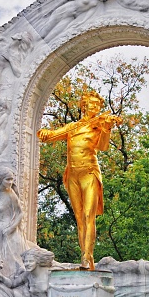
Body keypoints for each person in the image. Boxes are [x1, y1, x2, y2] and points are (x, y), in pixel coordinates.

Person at [37, 91, 122, 270]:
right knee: (79, 218)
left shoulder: (98, 126)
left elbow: (103, 146)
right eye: (92, 105)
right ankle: (84, 256)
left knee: (88, 215)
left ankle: (87, 256)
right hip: (72, 174)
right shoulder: (73, 127)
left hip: (89, 172)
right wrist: (45, 133)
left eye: (98, 106)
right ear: (84, 107)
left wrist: (107, 128)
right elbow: (53, 135)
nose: (95, 108)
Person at [0, 167, 32, 276]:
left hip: (7, 233)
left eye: (12, 179)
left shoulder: (10, 194)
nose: (11, 182)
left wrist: (11, 228)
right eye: (8, 179)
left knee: (15, 264)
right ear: (0, 179)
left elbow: (20, 213)